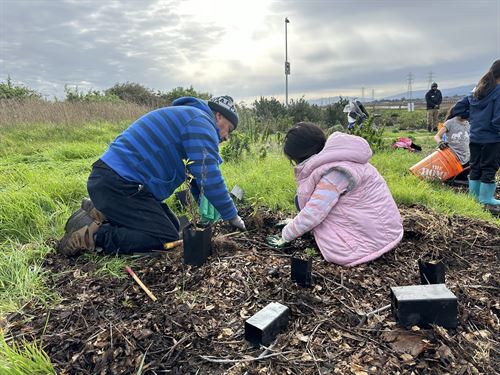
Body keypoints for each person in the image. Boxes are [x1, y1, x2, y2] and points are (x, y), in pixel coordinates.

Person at [58, 95, 246, 256]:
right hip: (119, 184)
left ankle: (104, 211)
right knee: (164, 238)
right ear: (218, 115)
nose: (226, 137)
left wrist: (203, 213)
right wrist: (232, 215)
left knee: (173, 225)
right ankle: (93, 237)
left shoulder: (191, 117)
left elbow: (198, 178)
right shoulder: (201, 122)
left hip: (116, 182)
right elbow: (209, 174)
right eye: (228, 129)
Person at [267, 123, 403, 267]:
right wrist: (295, 222)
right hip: (383, 230)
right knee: (302, 199)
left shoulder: (335, 173)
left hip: (368, 243)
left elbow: (313, 213)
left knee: (310, 206)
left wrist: (286, 235)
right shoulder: (343, 158)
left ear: (301, 156)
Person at [455, 60, 500, 205]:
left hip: (474, 137)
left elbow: (459, 108)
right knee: (489, 167)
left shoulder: (477, 90)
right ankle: (486, 198)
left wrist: (474, 117)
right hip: (492, 138)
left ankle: (474, 197)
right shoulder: (498, 91)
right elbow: (497, 120)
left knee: (475, 166)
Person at [434, 102, 470, 170]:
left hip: (465, 158)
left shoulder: (468, 124)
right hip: (452, 157)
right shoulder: (450, 123)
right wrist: (440, 142)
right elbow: (437, 136)